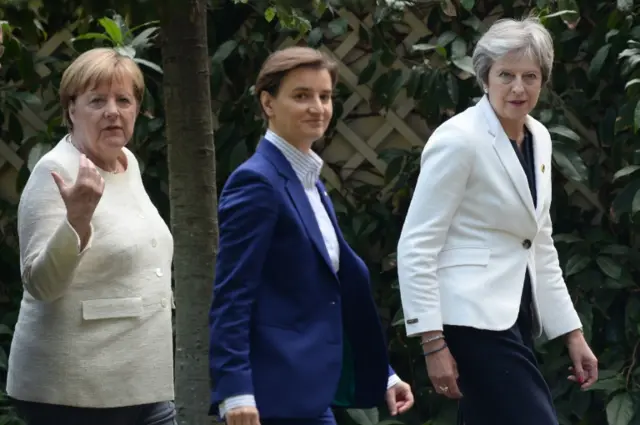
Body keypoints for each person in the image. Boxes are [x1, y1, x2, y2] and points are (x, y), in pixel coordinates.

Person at [396, 17, 598, 425]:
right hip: (471, 321)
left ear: (543, 81)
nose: (518, 88)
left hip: (517, 316)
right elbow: (417, 243)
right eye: (506, 75)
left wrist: (572, 333)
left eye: (531, 76)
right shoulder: (458, 139)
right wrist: (432, 343)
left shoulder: (539, 136)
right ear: (485, 77)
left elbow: (538, 240)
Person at [208, 46, 414, 425]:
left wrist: (384, 373)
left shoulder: (308, 182)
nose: (317, 107)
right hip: (267, 401)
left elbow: (334, 289)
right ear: (268, 103)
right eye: (301, 96)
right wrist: (235, 391)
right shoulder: (257, 182)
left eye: (325, 96)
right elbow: (231, 297)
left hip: (310, 393)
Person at [7, 47, 176, 425]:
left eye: (123, 100)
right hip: (75, 393)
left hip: (140, 382)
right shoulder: (54, 171)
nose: (113, 111)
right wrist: (77, 222)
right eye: (97, 100)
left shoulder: (126, 162)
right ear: (71, 109)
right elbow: (40, 284)